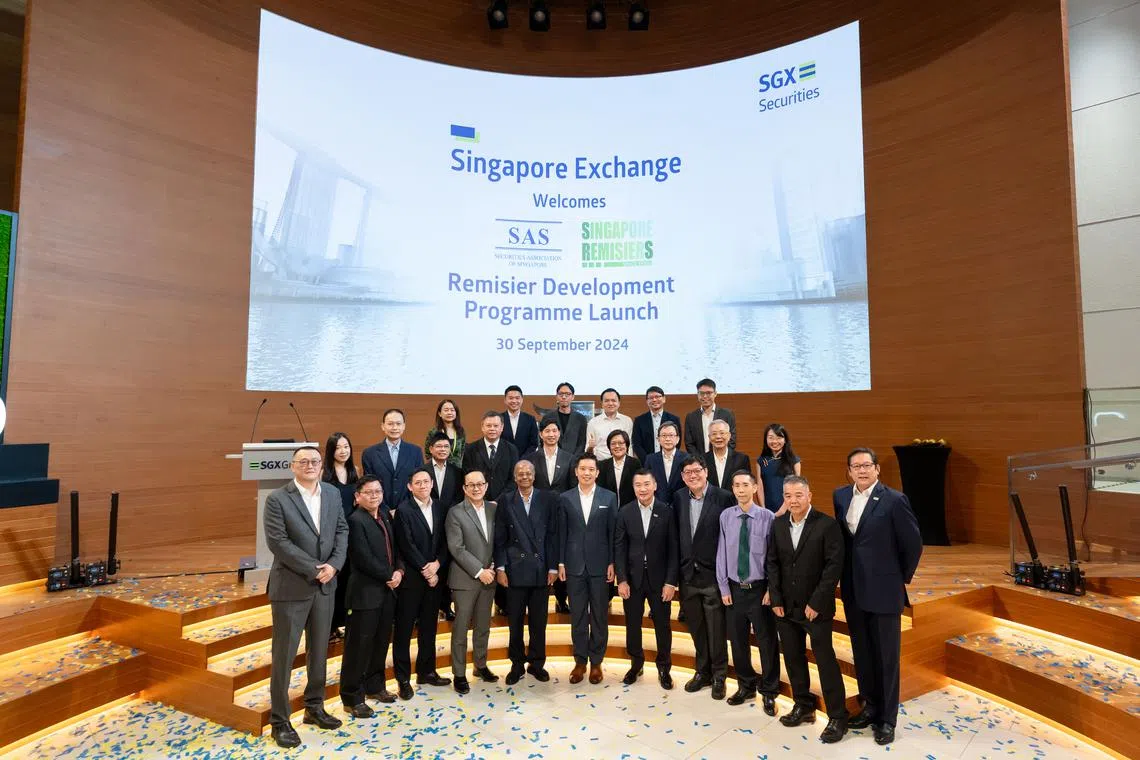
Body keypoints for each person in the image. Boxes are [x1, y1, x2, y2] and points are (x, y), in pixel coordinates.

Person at [833, 448, 923, 746]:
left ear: (877, 469)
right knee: (863, 654)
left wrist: (898, 579)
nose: (861, 470)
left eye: (867, 465)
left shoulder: (894, 500)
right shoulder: (841, 496)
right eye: (855, 466)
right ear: (848, 471)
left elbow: (912, 545)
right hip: (854, 590)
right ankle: (869, 707)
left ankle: (887, 719)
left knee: (886, 658)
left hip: (885, 591)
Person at [264, 446, 348, 749]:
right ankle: (280, 721)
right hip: (292, 588)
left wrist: (335, 565)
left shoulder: (332, 493)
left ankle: (314, 708)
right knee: (284, 657)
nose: (310, 465)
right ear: (293, 466)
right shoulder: (277, 499)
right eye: (304, 461)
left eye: (315, 461)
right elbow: (279, 543)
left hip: (326, 587)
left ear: (321, 466)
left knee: (318, 651)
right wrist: (316, 569)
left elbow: (341, 530)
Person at [768, 475, 847, 744]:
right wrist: (776, 598)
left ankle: (838, 716)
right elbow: (773, 563)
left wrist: (817, 602)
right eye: (788, 496)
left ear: (809, 496)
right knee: (793, 658)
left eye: (798, 495)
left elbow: (833, 567)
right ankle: (803, 706)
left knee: (825, 661)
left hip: (816, 608)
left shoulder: (826, 525)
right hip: (786, 608)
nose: (793, 500)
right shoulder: (778, 524)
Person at [339, 476, 403, 720]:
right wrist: (390, 574)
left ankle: (375, 686)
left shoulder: (385, 516)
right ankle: (352, 697)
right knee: (358, 647)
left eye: (378, 491)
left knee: (379, 642)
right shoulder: (355, 521)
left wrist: (399, 570)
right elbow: (362, 558)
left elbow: (396, 549)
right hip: (364, 595)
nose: (374, 495)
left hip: (387, 592)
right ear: (357, 497)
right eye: (368, 492)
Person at [716, 470, 780, 713]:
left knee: (766, 642)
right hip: (734, 588)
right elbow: (721, 551)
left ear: (754, 488)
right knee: (738, 641)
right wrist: (723, 585)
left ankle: (770, 690)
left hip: (760, 590)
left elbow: (775, 557)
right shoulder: (726, 516)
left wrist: (772, 589)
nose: (740, 490)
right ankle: (746, 685)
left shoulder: (768, 517)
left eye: (745, 485)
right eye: (736, 485)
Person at [673, 456, 734, 700]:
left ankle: (720, 675)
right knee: (696, 629)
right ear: (682, 476)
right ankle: (702, 672)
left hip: (713, 576)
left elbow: (728, 538)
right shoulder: (678, 498)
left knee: (716, 630)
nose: (692, 475)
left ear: (706, 472)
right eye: (687, 472)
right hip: (688, 576)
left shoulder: (723, 497)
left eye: (697, 470)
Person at [494, 460, 559, 684]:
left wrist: (552, 566)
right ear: (515, 477)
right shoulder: (505, 500)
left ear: (534, 475)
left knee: (539, 622)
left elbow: (552, 535)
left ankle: (537, 663)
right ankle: (517, 664)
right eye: (520, 473)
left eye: (528, 473)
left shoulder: (547, 499)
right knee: (515, 622)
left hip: (541, 569)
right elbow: (500, 537)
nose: (524, 476)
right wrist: (500, 567)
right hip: (514, 570)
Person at [614, 469, 678, 690]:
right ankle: (636, 663)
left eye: (646, 484)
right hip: (632, 580)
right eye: (638, 485)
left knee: (663, 625)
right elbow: (619, 548)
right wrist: (621, 579)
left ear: (655, 486)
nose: (642, 488)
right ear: (633, 488)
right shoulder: (625, 512)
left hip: (660, 581)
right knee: (633, 625)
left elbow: (674, 550)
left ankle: (664, 668)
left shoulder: (667, 511)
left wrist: (671, 582)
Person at [392, 468, 451, 699]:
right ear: (410, 486)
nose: (423, 485)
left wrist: (437, 564)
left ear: (432, 484)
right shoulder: (404, 511)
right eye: (418, 482)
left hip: (435, 577)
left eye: (426, 481)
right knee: (404, 631)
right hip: (413, 580)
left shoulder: (439, 507)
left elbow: (446, 540)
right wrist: (426, 569)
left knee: (429, 627)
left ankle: (427, 672)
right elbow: (405, 545)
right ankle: (403, 679)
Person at [559, 452, 617, 684]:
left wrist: (612, 562)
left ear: (597, 472)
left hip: (601, 566)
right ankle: (580, 661)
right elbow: (561, 533)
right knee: (578, 616)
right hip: (573, 566)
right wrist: (561, 562)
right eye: (583, 469)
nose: (587, 473)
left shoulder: (609, 497)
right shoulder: (565, 498)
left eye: (591, 469)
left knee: (600, 616)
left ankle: (596, 662)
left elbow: (613, 534)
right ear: (576, 471)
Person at [446, 470, 500, 695]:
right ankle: (459, 673)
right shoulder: (455, 513)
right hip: (466, 579)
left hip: (490, 577)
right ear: (464, 488)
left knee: (483, 626)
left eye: (480, 484)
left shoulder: (494, 509)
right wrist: (480, 571)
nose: (476, 488)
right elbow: (457, 548)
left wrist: (495, 566)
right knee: (460, 629)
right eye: (471, 485)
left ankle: (480, 665)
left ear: (486, 486)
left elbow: (499, 540)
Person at [322, 432, 358, 639]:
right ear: (331, 451)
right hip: (333, 533)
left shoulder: (354, 471)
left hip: (352, 532)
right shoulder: (325, 475)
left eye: (346, 446)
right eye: (338, 448)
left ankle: (341, 623)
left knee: (347, 581)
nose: (343, 451)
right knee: (333, 582)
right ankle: (328, 626)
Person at [362, 409, 423, 513]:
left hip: (409, 511)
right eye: (390, 424)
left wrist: (402, 509)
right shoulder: (370, 453)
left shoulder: (415, 451)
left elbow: (418, 482)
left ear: (404, 426)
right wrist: (385, 510)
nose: (394, 427)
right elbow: (370, 485)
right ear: (383, 426)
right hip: (379, 511)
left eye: (398, 424)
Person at [462, 411, 519, 503]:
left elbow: (513, 480)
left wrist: (498, 501)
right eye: (488, 426)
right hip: (477, 502)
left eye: (496, 426)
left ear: (502, 427)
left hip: (505, 502)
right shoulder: (470, 449)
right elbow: (468, 478)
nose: (492, 429)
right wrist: (481, 500)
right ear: (482, 427)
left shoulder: (511, 449)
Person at [684, 378, 736, 455]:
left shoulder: (727, 414)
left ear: (715, 393)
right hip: (700, 463)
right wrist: (700, 461)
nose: (705, 396)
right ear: (697, 395)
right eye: (701, 393)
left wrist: (720, 457)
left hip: (722, 460)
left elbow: (731, 440)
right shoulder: (691, 417)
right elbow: (689, 443)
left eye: (708, 393)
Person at [757, 423, 801, 515]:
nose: (775, 441)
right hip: (767, 511)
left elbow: (796, 488)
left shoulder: (794, 461)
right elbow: (759, 486)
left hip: (789, 509)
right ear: (766, 439)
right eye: (771, 438)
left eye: (779, 438)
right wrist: (763, 509)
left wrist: (782, 510)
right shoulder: (761, 460)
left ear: (785, 440)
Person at [631, 386, 682, 462]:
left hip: (669, 461)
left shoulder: (674, 419)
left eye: (657, 397)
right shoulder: (639, 420)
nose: (654, 400)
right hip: (646, 463)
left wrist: (669, 457)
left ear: (664, 399)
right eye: (651, 398)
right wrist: (648, 460)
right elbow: (636, 444)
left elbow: (677, 441)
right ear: (647, 401)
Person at [527, 415, 576, 493]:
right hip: (539, 503)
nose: (551, 435)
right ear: (541, 434)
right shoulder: (531, 459)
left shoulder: (569, 459)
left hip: (562, 503)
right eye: (547, 431)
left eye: (554, 431)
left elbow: (573, 487)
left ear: (559, 433)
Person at [585, 388, 634, 461]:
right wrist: (590, 447)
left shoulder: (627, 421)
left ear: (619, 403)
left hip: (623, 464)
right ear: (602, 403)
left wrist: (629, 464)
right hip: (600, 464)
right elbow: (588, 448)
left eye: (613, 400)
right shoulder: (593, 422)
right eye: (606, 401)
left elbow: (629, 446)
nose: (610, 403)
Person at [645, 421, 688, 503]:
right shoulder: (650, 459)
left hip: (681, 504)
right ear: (658, 439)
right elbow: (648, 483)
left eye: (671, 435)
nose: (667, 439)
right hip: (658, 505)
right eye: (664, 435)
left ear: (677, 439)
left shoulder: (687, 458)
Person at [597, 429, 640, 506]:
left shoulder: (635, 464)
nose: (617, 446)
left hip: (630, 508)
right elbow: (601, 491)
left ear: (626, 445)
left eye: (620, 443)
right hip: (608, 508)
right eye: (613, 443)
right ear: (609, 446)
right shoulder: (602, 465)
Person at [705, 420, 750, 491]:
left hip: (734, 501)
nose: (718, 437)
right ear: (709, 437)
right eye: (714, 434)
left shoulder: (742, 459)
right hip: (710, 501)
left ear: (729, 436)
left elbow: (746, 486)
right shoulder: (702, 460)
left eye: (722, 433)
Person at [423, 399, 466, 467]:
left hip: (457, 471)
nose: (449, 412)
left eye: (452, 410)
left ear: (456, 413)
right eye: (446, 410)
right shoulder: (434, 432)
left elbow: (462, 452)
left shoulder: (460, 431)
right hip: (439, 469)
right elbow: (428, 454)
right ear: (440, 413)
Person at [426, 431, 464, 508]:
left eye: (446, 446)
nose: (443, 449)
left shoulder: (457, 472)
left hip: (451, 515)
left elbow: (459, 497)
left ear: (450, 449)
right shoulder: (422, 471)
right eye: (439, 446)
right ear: (431, 449)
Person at [500, 385, 539, 457]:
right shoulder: (499, 419)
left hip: (525, 462)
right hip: (503, 461)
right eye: (511, 398)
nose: (514, 401)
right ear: (505, 400)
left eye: (517, 398)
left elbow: (534, 444)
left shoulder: (530, 419)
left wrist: (523, 459)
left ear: (522, 400)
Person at [553, 382, 588, 454]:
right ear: (556, 396)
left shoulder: (581, 419)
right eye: (561, 394)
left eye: (567, 394)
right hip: (552, 460)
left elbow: (581, 444)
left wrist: (574, 460)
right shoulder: (548, 417)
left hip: (574, 461)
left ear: (573, 397)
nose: (564, 397)